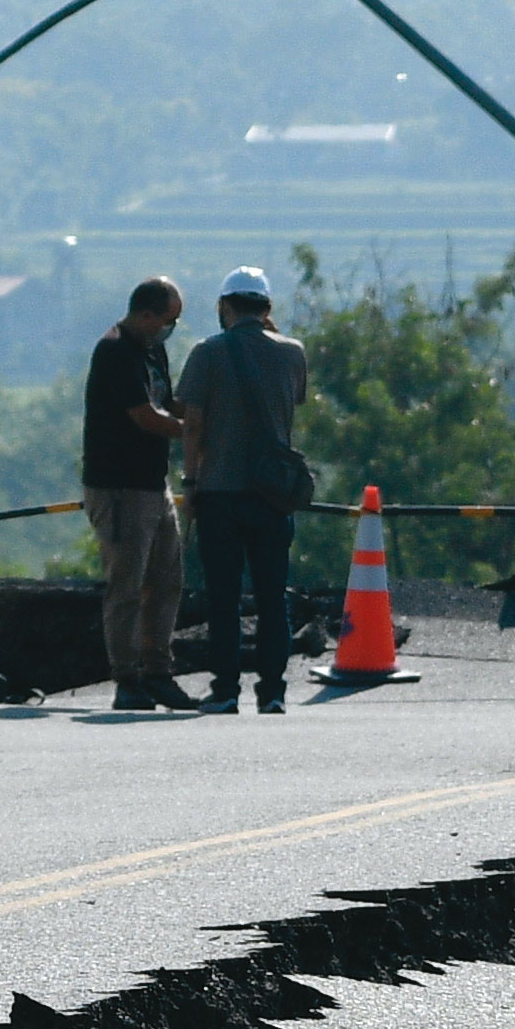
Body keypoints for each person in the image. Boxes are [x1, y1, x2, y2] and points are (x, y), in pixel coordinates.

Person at [173, 265, 316, 711]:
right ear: (267, 308)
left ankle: (226, 690)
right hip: (273, 495)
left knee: (224, 597)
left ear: (223, 306)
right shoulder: (293, 352)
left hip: (219, 491)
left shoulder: (207, 353)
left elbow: (193, 425)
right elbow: (291, 402)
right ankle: (273, 692)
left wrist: (191, 481)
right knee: (274, 596)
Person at [77, 276, 191, 710]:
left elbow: (168, 401)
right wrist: (195, 435)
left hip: (152, 484)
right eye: (168, 320)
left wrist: (203, 409)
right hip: (119, 488)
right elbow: (145, 415)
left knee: (167, 581)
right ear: (146, 315)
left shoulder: (151, 349)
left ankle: (159, 671)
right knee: (125, 587)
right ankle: (128, 678)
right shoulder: (115, 351)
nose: (170, 329)